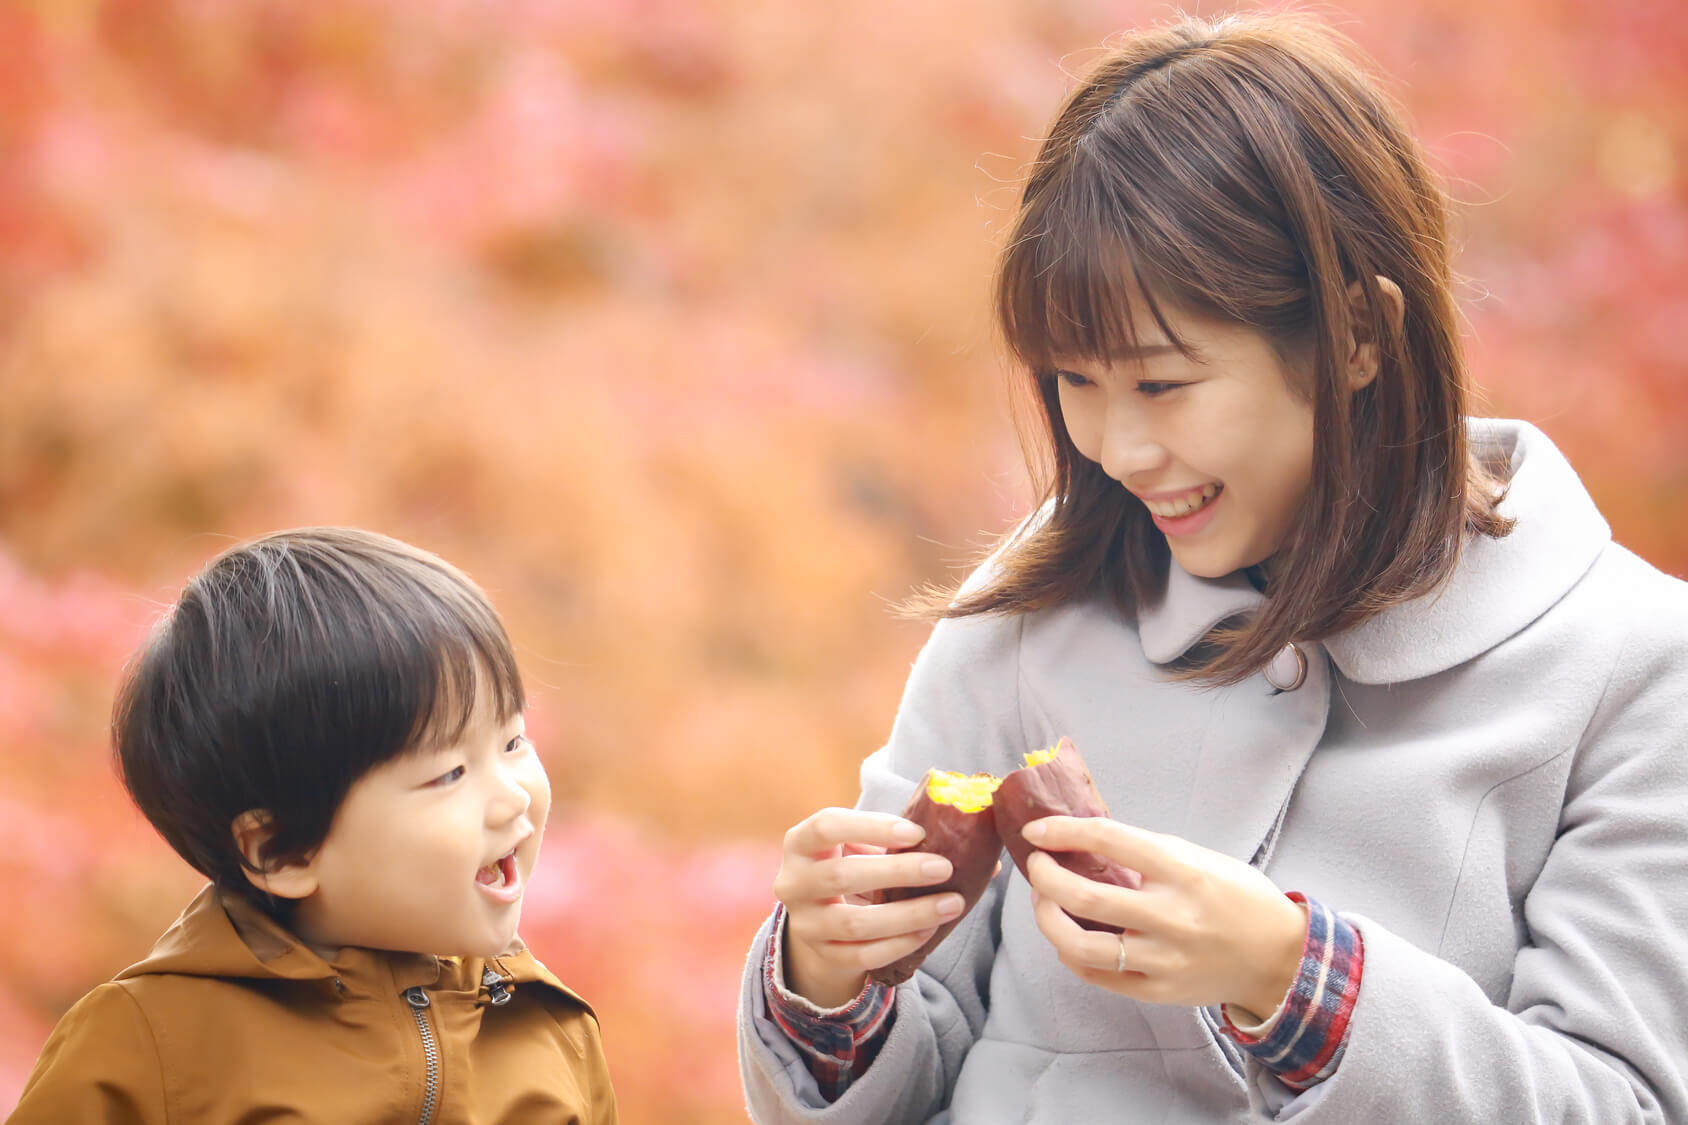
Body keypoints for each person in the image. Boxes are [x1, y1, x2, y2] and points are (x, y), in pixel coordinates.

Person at [737, 12, 1688, 1124]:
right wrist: (824, 973)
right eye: (1073, 384)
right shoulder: (1026, 615)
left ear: (1356, 338)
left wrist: (1289, 976)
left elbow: (1620, 1101)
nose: (1116, 450)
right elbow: (911, 1074)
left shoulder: (1635, 667)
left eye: (1162, 383)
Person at [10, 528, 618, 1124]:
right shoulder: (153, 1050)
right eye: (450, 773)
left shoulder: (553, 1031)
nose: (512, 797)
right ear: (283, 850)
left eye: (513, 740)